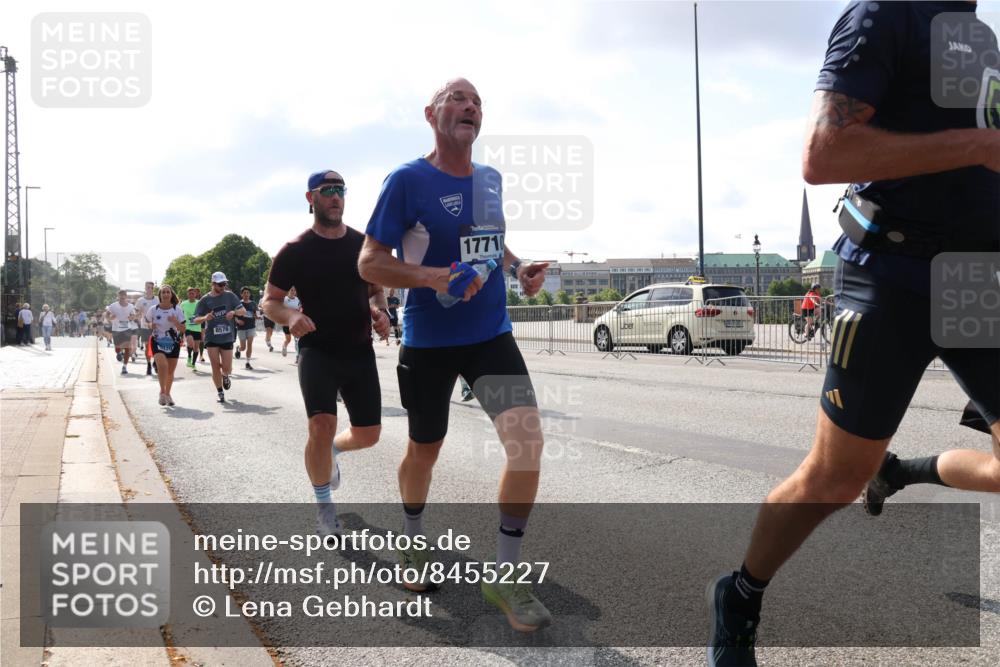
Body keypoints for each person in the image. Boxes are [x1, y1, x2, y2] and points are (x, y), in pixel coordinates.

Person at [707, 4, 1000, 665]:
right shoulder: (884, 14)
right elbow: (823, 153)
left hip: (978, 281)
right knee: (835, 479)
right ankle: (741, 594)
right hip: (890, 273)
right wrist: (981, 147)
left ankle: (903, 471)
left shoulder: (982, 40)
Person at [358, 78, 553, 632]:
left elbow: (490, 238)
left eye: (478, 103)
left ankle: (506, 575)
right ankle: (414, 545)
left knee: (527, 444)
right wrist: (430, 276)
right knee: (425, 451)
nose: (471, 107)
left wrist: (519, 270)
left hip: (491, 335)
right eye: (458, 99)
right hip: (430, 341)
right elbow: (370, 262)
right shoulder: (407, 181)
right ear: (431, 114)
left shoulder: (490, 180)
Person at [263, 169, 390, 537]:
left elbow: (375, 291)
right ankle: (324, 506)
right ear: (311, 198)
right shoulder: (294, 250)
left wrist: (380, 313)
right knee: (320, 424)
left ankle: (331, 450)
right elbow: (269, 302)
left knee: (369, 435)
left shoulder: (362, 244)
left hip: (358, 351)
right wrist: (291, 315)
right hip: (317, 350)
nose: (336, 196)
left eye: (341, 190)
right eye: (327, 190)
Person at [193, 272, 246, 403]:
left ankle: (225, 375)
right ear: (213, 284)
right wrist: (205, 317)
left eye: (224, 284)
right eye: (220, 284)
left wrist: (234, 312)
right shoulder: (205, 300)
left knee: (227, 367)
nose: (223, 286)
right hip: (211, 337)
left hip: (227, 336)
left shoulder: (230, 296)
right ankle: (220, 392)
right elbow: (195, 319)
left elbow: (243, 311)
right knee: (215, 366)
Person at [144, 285, 186, 406]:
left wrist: (175, 321)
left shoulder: (177, 309)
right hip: (158, 341)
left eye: (168, 292)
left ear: (171, 294)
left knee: (170, 372)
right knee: (163, 366)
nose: (166, 294)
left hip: (174, 342)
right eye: (163, 292)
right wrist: (149, 325)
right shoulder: (153, 309)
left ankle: (168, 394)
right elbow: (144, 322)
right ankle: (162, 392)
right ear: (160, 295)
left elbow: (183, 329)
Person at [105, 291, 137, 375]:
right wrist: (110, 318)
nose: (122, 298)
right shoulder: (113, 306)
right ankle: (119, 352)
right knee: (117, 347)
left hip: (127, 329)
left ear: (126, 297)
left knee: (127, 348)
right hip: (116, 329)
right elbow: (106, 315)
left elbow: (133, 316)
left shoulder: (130, 306)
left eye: (124, 297)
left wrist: (131, 317)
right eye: (120, 297)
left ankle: (124, 367)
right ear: (118, 297)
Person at [136, 281, 159, 375]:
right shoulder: (140, 300)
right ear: (145, 288)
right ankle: (149, 364)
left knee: (156, 346)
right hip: (145, 326)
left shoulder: (157, 299)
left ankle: (155, 362)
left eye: (151, 288)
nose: (149, 289)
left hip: (156, 326)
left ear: (153, 289)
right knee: (147, 346)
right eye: (148, 287)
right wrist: (138, 313)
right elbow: (136, 314)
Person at [235, 286, 258, 370]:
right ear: (241, 294)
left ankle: (248, 362)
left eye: (248, 293)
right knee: (243, 347)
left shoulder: (253, 303)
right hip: (241, 327)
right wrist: (238, 321)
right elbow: (234, 315)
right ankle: (238, 348)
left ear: (250, 294)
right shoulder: (238, 304)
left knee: (250, 344)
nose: (246, 294)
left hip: (251, 326)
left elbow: (256, 314)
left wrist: (257, 316)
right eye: (244, 293)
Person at [180, 287, 202, 370]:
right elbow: (179, 314)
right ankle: (189, 357)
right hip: (188, 327)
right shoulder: (183, 304)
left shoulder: (199, 303)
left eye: (193, 293)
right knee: (190, 343)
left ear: (195, 294)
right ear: (187, 295)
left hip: (197, 328)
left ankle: (193, 364)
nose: (191, 295)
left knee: (196, 348)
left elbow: (203, 312)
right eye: (189, 293)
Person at [281, 286, 301, 360]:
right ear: (288, 291)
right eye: (291, 290)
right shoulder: (285, 299)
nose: (293, 292)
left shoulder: (297, 300)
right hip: (286, 322)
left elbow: (299, 309)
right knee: (288, 339)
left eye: (294, 290)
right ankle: (284, 346)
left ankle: (297, 356)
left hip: (295, 322)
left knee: (297, 340)